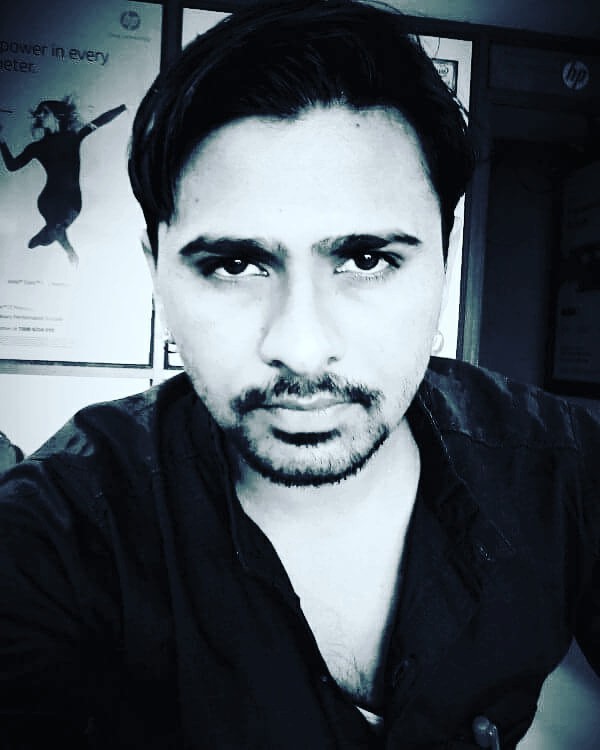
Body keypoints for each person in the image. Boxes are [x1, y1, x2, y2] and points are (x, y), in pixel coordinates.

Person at [0, 1, 599, 748]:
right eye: (235, 264)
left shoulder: (563, 469)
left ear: (444, 262)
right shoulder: (55, 539)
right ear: (156, 272)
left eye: (366, 259)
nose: (303, 348)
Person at [0, 98, 126, 266]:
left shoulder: (73, 137)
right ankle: (58, 241)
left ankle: (50, 236)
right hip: (49, 200)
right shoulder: (37, 147)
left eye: (45, 112)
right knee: (58, 226)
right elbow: (12, 165)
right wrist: (1, 141)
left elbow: (100, 120)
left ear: (57, 116)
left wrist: (123, 107)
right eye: (39, 113)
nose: (40, 115)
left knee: (57, 227)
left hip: (70, 201)